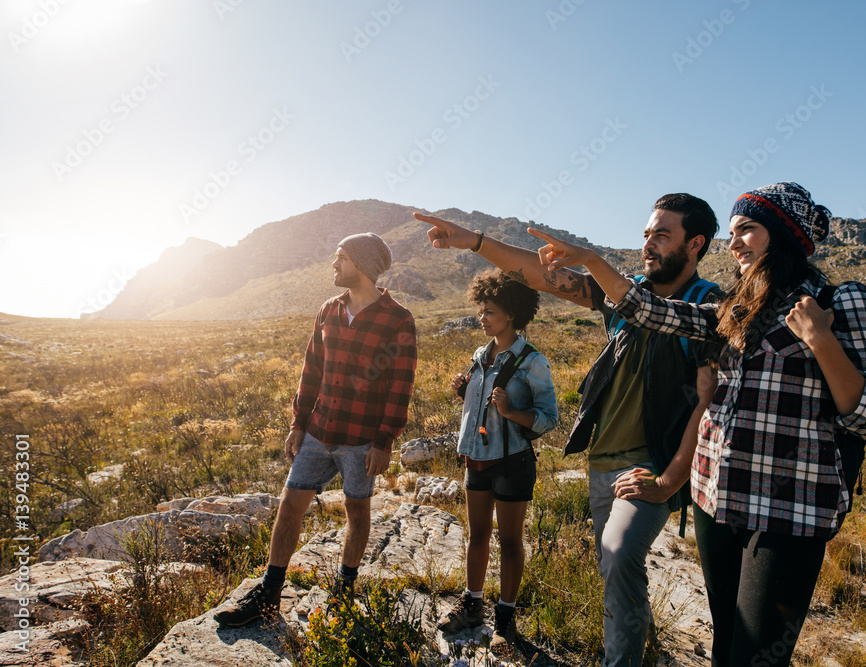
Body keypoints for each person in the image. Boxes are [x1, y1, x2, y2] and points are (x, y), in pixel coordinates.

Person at [529, 182, 866, 666]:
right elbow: (649, 309)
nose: (735, 242)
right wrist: (592, 261)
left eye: (747, 229)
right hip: (715, 499)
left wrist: (821, 340)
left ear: (781, 234)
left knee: (755, 654)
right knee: (725, 644)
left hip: (790, 509)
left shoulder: (841, 300)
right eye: (731, 233)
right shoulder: (736, 310)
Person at [417, 193, 723, 667]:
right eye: (646, 235)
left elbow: (710, 402)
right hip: (603, 461)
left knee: (620, 555)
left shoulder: (709, 308)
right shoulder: (625, 295)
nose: (649, 244)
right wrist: (476, 242)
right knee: (615, 572)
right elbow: (541, 276)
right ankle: (643, 645)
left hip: (653, 463)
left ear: (696, 243)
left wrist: (670, 481)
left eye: (662, 235)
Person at [215, 232, 417, 626]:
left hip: (361, 440)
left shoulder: (398, 319)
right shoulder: (328, 310)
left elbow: (400, 384)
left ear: (360, 263)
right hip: (318, 432)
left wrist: (384, 441)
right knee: (290, 505)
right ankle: (270, 593)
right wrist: (298, 424)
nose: (333, 264)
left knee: (357, 510)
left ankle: (344, 591)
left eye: (340, 257)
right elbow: (312, 372)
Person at [437, 268, 558, 657]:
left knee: (508, 542)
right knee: (476, 536)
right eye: (481, 310)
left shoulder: (532, 361)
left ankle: (505, 620)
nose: (482, 317)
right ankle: (472, 605)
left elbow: (548, 418)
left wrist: (511, 411)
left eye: (489, 311)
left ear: (511, 313)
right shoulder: (480, 356)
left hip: (512, 462)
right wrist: (465, 394)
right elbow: (480, 410)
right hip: (477, 459)